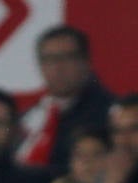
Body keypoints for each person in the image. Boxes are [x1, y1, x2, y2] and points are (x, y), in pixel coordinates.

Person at [16, 25, 114, 172]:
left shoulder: (108, 113)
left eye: (67, 57)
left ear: (86, 61)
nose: (57, 67)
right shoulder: (29, 116)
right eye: (49, 59)